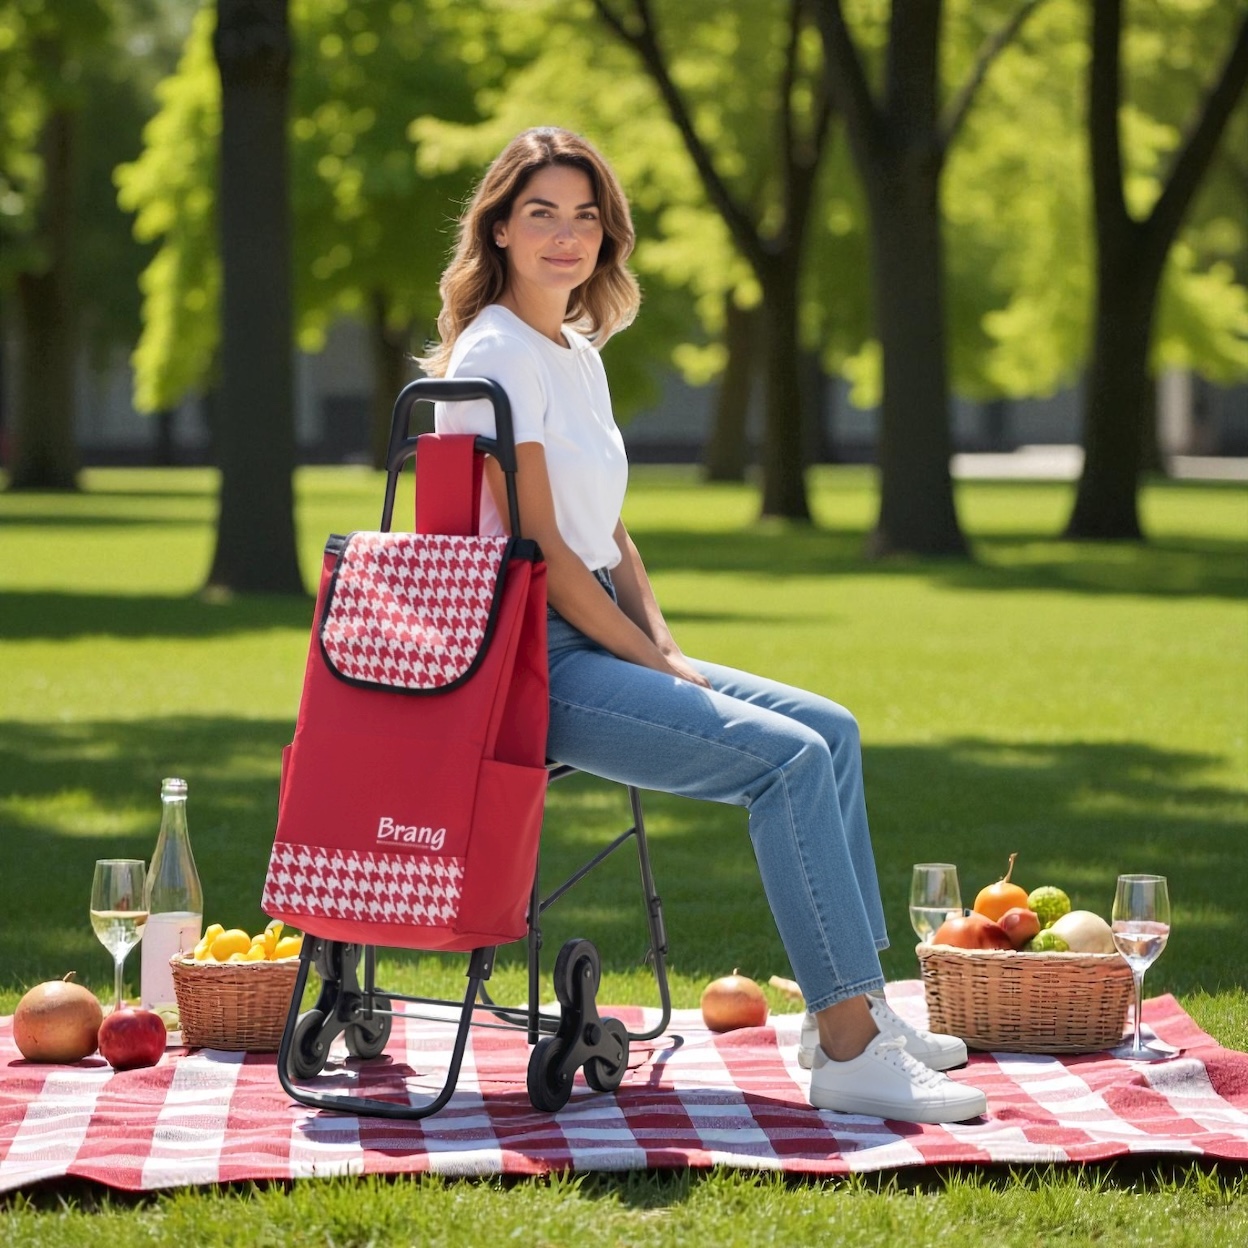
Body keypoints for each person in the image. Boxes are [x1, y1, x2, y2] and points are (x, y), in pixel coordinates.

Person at [423, 127, 987, 1124]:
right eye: (542, 213)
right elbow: (544, 555)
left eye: (585, 215)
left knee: (832, 731)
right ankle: (850, 1053)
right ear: (500, 228)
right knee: (788, 763)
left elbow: (611, 536)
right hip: (529, 661)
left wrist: (668, 644)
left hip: (595, 629)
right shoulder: (499, 353)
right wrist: (648, 657)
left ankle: (853, 1007)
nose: (566, 235)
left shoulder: (575, 351)